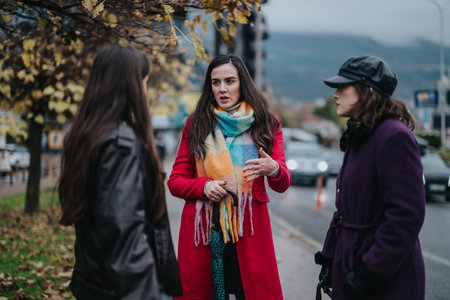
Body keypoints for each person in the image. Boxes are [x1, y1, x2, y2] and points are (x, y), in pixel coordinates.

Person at [58, 45, 182, 299]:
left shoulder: (89, 135)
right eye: (145, 83)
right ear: (132, 86)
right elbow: (123, 230)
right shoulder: (119, 144)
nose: (146, 92)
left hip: (95, 281)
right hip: (124, 289)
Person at [167, 54, 291, 300]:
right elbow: (175, 182)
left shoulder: (267, 123)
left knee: (252, 292)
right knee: (207, 293)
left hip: (249, 230)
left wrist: (273, 169)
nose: (222, 89)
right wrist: (204, 187)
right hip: (205, 229)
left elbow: (283, 182)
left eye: (229, 81)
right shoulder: (196, 125)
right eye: (216, 82)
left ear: (242, 83)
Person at [315, 55, 425, 300]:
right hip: (352, 264)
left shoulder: (394, 136)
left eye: (343, 86)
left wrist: (369, 272)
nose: (335, 94)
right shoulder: (361, 134)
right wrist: (330, 257)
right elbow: (345, 212)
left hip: (384, 279)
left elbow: (406, 216)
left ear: (367, 91)